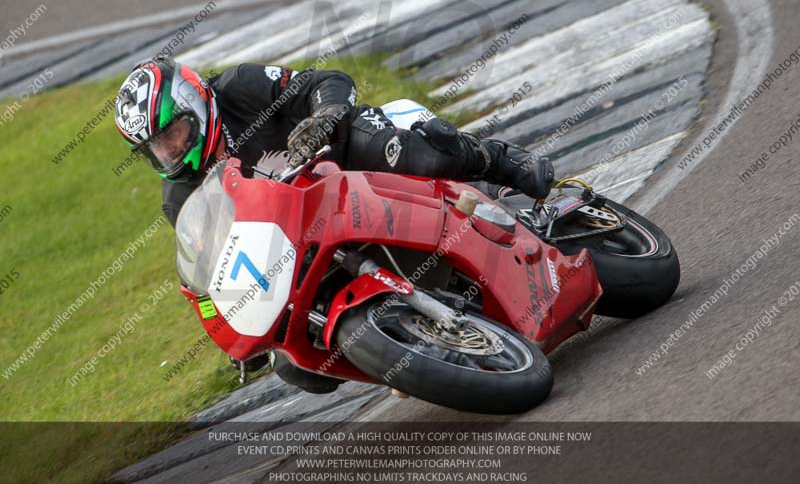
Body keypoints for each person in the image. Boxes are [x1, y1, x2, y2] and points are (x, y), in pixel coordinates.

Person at [113, 54, 555, 393]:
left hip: (345, 160)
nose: (170, 151)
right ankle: (413, 349)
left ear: (193, 104)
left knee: (423, 154)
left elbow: (326, 81)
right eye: (155, 147)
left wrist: (322, 115)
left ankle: (501, 161)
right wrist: (234, 324)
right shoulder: (181, 199)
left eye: (172, 134)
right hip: (309, 233)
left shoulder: (237, 88)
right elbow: (215, 272)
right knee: (297, 365)